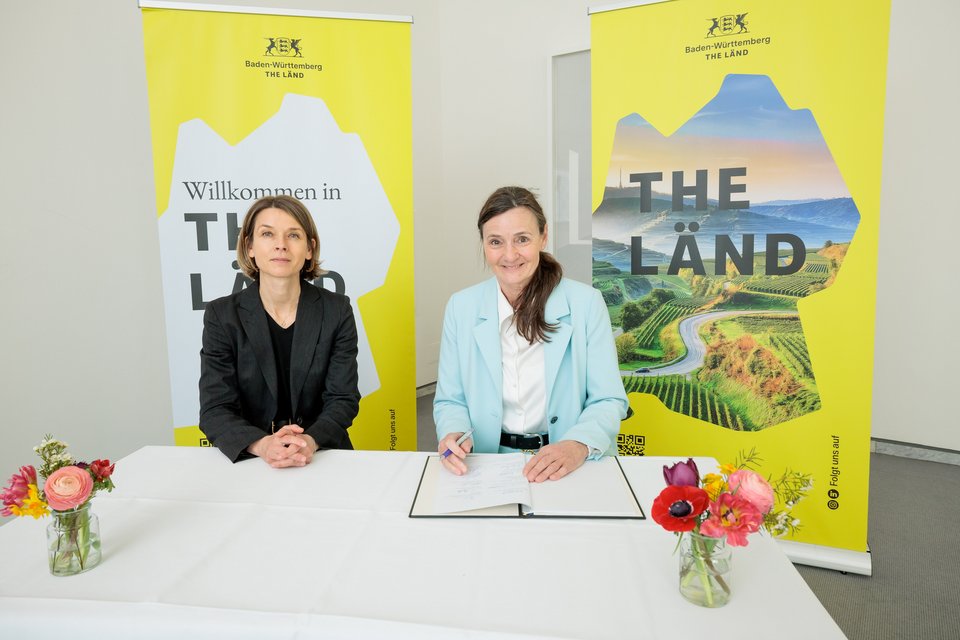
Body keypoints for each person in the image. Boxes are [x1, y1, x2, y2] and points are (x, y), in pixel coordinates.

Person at [434, 186, 628, 482]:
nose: (510, 255)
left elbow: (609, 399)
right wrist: (454, 432)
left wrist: (577, 445)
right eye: (496, 242)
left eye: (522, 239)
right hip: (486, 463)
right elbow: (450, 400)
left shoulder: (585, 303)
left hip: (568, 465)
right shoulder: (461, 307)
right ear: (484, 244)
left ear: (543, 236)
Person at [199, 195, 360, 467]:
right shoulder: (222, 315)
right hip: (252, 459)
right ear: (249, 246)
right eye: (267, 234)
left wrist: (308, 441)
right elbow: (215, 408)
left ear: (310, 249)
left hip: (322, 455)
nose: (281, 245)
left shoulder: (337, 310)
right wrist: (263, 445)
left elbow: (342, 399)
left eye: (293, 235)